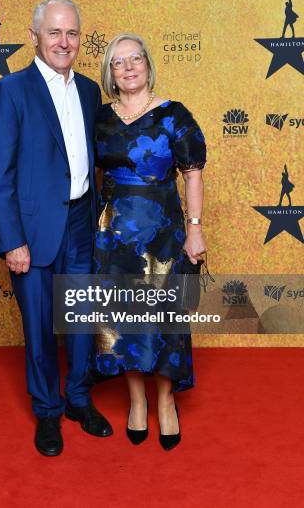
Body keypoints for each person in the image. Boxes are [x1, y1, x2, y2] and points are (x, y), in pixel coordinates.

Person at [0, 0, 113, 457]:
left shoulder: (91, 91)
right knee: (38, 327)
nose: (64, 41)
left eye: (72, 33)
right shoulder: (10, 91)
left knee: (79, 321)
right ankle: (48, 411)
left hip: (79, 222)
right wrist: (12, 240)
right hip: (32, 232)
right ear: (34, 35)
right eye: (54, 32)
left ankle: (78, 399)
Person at [93, 33, 207, 450]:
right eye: (118, 62)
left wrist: (194, 228)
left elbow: (192, 172)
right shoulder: (100, 119)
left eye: (135, 59)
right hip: (115, 236)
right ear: (110, 73)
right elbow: (95, 177)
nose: (128, 68)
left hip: (163, 234)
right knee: (123, 322)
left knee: (166, 321)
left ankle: (165, 402)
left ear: (147, 64)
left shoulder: (174, 115)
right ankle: (136, 401)